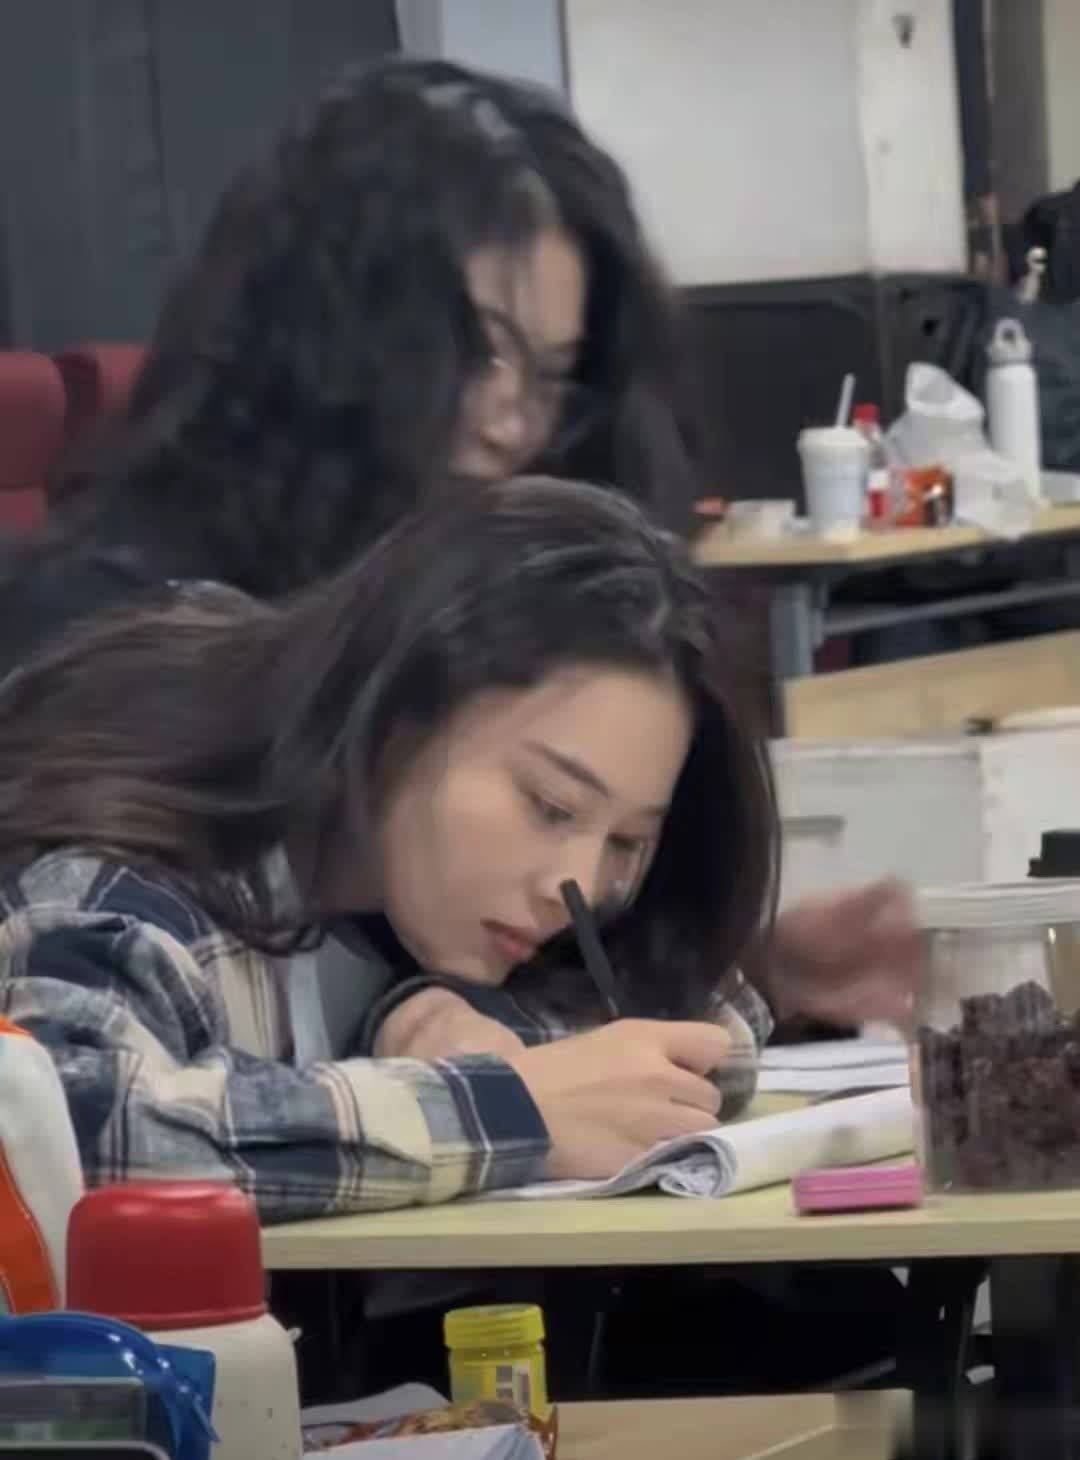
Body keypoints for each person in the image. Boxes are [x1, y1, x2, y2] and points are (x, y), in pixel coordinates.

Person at [0, 478, 779, 1219]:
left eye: (628, 840)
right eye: (549, 806)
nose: (576, 882)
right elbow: (67, 1128)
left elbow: (712, 1019)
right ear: (398, 713)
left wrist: (439, 1017)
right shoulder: (139, 871)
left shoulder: (436, 905)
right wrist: (505, 1109)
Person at [0, 55, 703, 673]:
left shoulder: (469, 603)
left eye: (551, 375)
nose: (513, 427)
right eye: (476, 352)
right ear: (324, 344)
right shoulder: (114, 630)